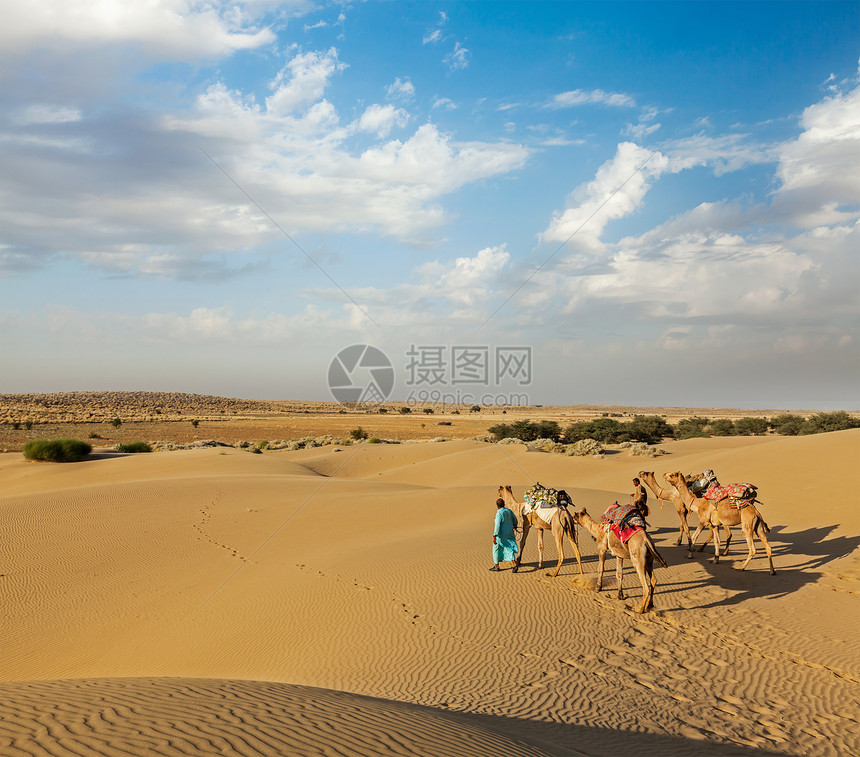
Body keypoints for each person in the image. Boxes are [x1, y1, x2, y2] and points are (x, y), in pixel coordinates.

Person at [491, 497, 519, 572]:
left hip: (501, 535)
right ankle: (514, 564)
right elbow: (515, 519)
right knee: (509, 548)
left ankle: (496, 566)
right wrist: (515, 525)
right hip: (510, 533)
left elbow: (497, 525)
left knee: (495, 549)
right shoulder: (509, 511)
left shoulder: (499, 513)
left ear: (497, 506)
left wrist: (495, 535)